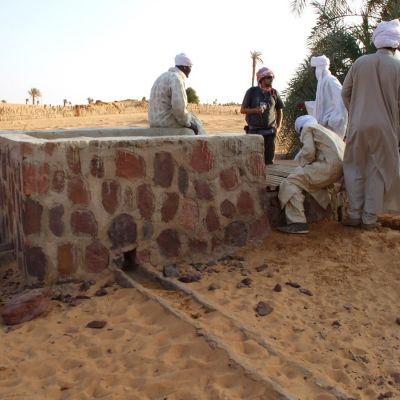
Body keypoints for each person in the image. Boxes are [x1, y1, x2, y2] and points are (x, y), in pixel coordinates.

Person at [341, 19, 400, 229]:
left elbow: (345, 92)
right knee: (377, 171)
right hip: (386, 129)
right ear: (396, 44)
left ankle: (354, 214)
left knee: (355, 167)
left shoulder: (359, 62)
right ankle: (369, 219)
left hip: (357, 125)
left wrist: (356, 112)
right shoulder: (398, 66)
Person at [277, 115, 345, 234]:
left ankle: (297, 222)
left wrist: (301, 166)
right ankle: (335, 214)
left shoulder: (307, 128)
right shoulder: (326, 131)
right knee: (317, 184)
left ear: (299, 127)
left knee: (291, 181)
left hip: (327, 167)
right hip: (340, 169)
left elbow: (308, 153)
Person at [148, 53, 204, 135]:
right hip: (165, 122)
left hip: (153, 121)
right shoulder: (177, 78)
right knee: (196, 122)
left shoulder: (162, 76)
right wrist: (189, 124)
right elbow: (179, 109)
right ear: (185, 67)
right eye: (190, 67)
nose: (190, 70)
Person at [240, 67, 284, 165]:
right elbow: (242, 110)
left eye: (272, 77)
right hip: (254, 132)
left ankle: (269, 180)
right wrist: (255, 110)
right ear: (261, 79)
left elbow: (279, 110)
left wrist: (279, 126)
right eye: (268, 77)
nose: (271, 79)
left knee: (269, 162)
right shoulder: (252, 92)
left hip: (270, 133)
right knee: (253, 162)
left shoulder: (274, 93)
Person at [305, 55, 348, 139]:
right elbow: (324, 106)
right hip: (324, 128)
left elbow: (341, 101)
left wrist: (333, 121)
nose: (313, 72)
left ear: (319, 68)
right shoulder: (322, 83)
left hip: (331, 128)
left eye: (314, 69)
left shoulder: (330, 80)